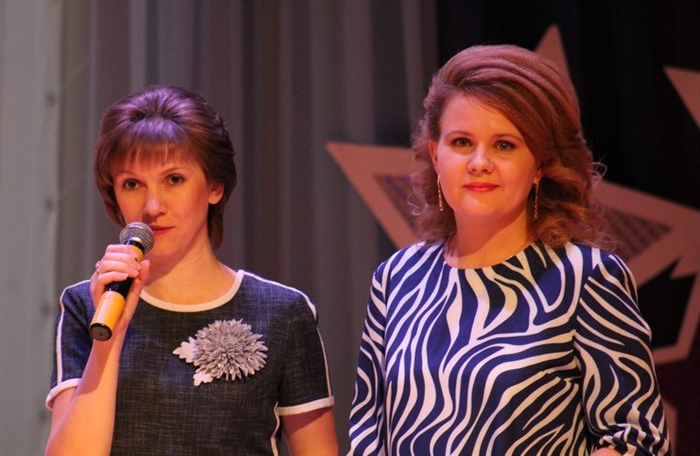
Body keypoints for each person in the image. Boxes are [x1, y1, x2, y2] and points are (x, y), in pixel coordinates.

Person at [348, 45, 670, 455]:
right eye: (461, 142)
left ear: (539, 165)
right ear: (435, 154)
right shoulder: (397, 278)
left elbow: (637, 440)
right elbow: (368, 432)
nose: (479, 162)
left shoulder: (586, 279)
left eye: (504, 145)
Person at [45, 85, 338, 455]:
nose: (153, 206)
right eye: (132, 184)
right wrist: (109, 341)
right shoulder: (87, 306)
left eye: (174, 180)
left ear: (215, 186)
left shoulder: (282, 311)